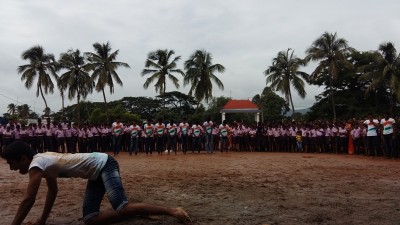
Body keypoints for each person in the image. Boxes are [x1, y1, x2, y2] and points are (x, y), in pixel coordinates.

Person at [1, 141, 192, 225]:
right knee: (90, 219)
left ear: (24, 158)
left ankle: (173, 211)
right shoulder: (41, 161)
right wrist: (42, 221)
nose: (11, 169)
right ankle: (136, 213)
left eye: (12, 164)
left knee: (121, 207)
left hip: (104, 164)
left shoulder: (36, 164)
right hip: (95, 172)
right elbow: (52, 191)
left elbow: (28, 199)